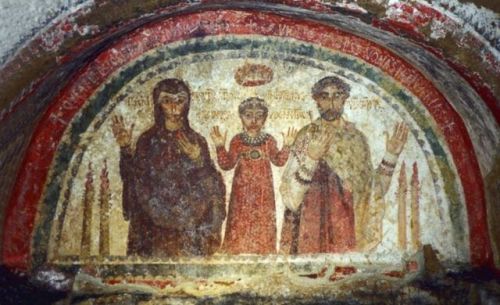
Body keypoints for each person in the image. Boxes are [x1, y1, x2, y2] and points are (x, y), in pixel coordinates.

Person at [280, 76, 408, 254]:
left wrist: (391, 155)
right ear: (316, 101)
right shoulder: (307, 135)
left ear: (344, 99)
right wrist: (311, 158)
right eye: (324, 96)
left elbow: (371, 192)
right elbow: (290, 196)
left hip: (348, 230)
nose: (331, 102)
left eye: (337, 95)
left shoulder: (357, 138)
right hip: (313, 230)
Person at [111, 78, 226, 258]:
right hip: (153, 223)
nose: (174, 107)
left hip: (189, 223)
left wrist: (198, 160)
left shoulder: (197, 141)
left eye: (179, 101)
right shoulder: (147, 140)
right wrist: (125, 149)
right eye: (167, 101)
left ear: (187, 105)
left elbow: (211, 185)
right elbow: (133, 178)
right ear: (158, 105)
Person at [210, 97, 297, 254]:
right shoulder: (238, 140)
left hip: (263, 190)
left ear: (265, 118)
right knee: (240, 217)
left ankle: (264, 250)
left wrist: (287, 145)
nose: (254, 120)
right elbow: (226, 164)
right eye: (248, 115)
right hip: (241, 189)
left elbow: (278, 161)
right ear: (241, 117)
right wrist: (219, 146)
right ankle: (235, 249)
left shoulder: (268, 140)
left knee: (263, 218)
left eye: (259, 115)